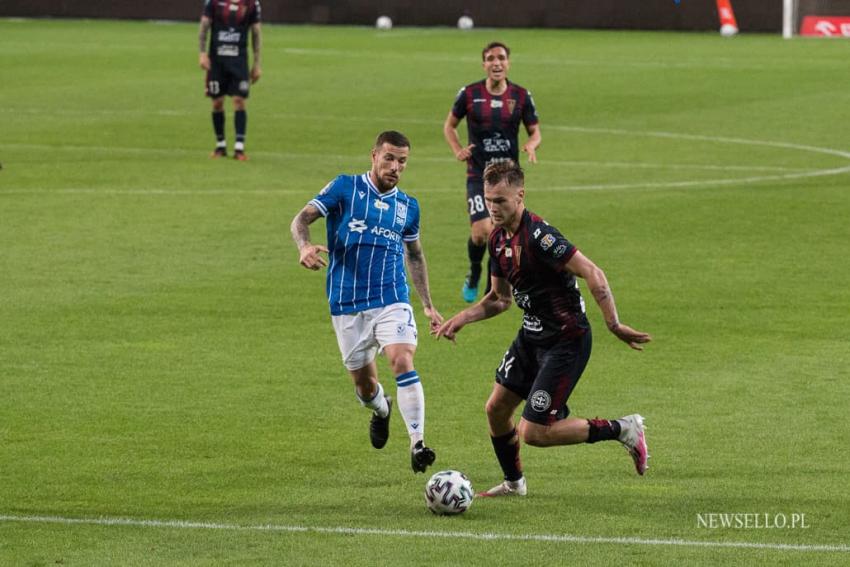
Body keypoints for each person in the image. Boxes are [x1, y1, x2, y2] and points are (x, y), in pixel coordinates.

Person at [436, 160, 651, 497]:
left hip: (566, 341)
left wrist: (613, 323)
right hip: (531, 337)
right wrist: (462, 318)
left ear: (520, 195)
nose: (493, 208)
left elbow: (592, 271)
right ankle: (514, 484)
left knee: (534, 432)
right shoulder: (497, 239)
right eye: (489, 199)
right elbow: (499, 299)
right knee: (496, 410)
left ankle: (624, 429)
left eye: (501, 200)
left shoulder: (540, 236)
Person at [290, 131, 443, 473]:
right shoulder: (344, 188)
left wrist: (427, 304)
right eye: (389, 158)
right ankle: (381, 409)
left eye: (402, 161)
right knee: (364, 387)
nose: (395, 167)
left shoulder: (408, 207)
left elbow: (415, 256)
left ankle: (418, 443)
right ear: (374, 155)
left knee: (402, 360)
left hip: (392, 298)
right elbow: (300, 219)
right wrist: (304, 246)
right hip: (346, 304)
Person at [443, 41, 541, 303]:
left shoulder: (521, 96)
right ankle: (474, 273)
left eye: (501, 58)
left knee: (501, 230)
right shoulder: (469, 94)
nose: (496, 62)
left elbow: (535, 131)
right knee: (481, 232)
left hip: (507, 178)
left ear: (508, 63)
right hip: (478, 175)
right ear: (484, 64)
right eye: (490, 58)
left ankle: (491, 289)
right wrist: (457, 149)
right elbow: (449, 126)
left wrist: (531, 144)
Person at [198, 0, 262, 161]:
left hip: (239, 62)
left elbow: (256, 32)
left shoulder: (252, 4)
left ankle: (239, 148)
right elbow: (204, 26)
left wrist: (256, 63)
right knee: (217, 102)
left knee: (239, 100)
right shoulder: (213, 2)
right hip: (217, 62)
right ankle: (220, 145)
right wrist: (202, 53)